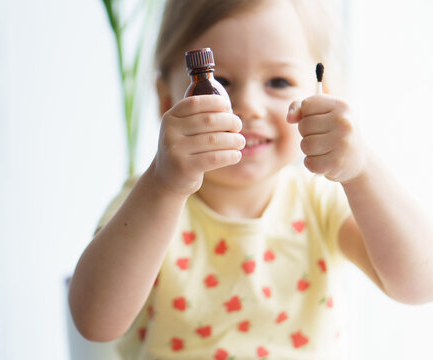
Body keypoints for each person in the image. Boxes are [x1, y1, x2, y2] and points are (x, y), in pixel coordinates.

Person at [69, 0, 433, 358]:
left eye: (278, 81)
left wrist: (363, 170)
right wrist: (164, 187)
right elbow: (95, 322)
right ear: (166, 100)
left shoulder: (321, 201)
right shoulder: (147, 201)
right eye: (220, 81)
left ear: (321, 94)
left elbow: (419, 283)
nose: (250, 106)